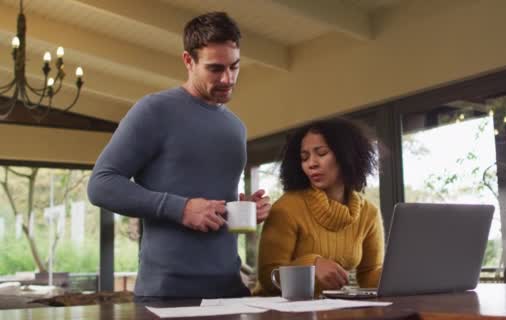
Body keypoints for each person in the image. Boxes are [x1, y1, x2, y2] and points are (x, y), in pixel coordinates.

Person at [87, 12, 270, 301]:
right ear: (188, 61)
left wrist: (243, 210)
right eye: (215, 68)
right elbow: (101, 184)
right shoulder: (153, 111)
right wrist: (181, 208)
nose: (227, 78)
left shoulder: (236, 128)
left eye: (234, 67)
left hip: (230, 290)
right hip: (166, 294)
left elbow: (214, 205)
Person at [255, 118, 384, 296]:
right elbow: (268, 277)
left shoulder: (369, 213)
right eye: (304, 157)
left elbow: (369, 274)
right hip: (277, 309)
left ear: (347, 155)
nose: (311, 163)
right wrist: (311, 265)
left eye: (321, 153)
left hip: (330, 308)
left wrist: (399, 275)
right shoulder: (287, 208)